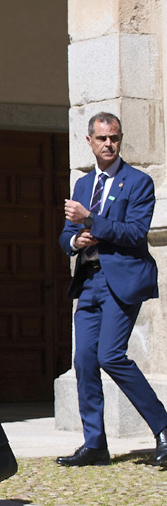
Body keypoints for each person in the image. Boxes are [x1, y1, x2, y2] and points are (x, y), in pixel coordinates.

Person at [57, 112, 167, 468]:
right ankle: (95, 444)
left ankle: (164, 428)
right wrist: (76, 238)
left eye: (115, 138)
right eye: (102, 138)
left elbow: (136, 233)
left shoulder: (138, 182)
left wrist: (92, 220)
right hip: (88, 279)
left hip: (121, 280)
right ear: (89, 141)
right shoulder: (82, 186)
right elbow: (64, 237)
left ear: (120, 140)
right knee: (85, 360)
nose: (109, 144)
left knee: (110, 356)